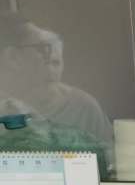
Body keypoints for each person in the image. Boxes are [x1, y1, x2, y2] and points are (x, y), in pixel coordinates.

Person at [0, 13, 114, 147]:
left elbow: (108, 157)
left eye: (58, 47)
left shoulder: (83, 108)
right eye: (43, 48)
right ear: (12, 58)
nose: (56, 58)